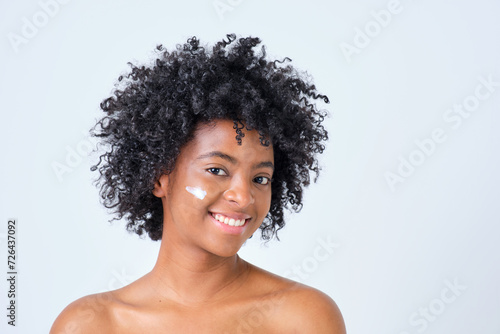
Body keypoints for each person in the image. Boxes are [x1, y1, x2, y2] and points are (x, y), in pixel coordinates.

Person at [50, 34, 346, 333]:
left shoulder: (302, 317)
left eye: (260, 178)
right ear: (159, 176)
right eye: (217, 170)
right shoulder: (91, 324)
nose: (243, 197)